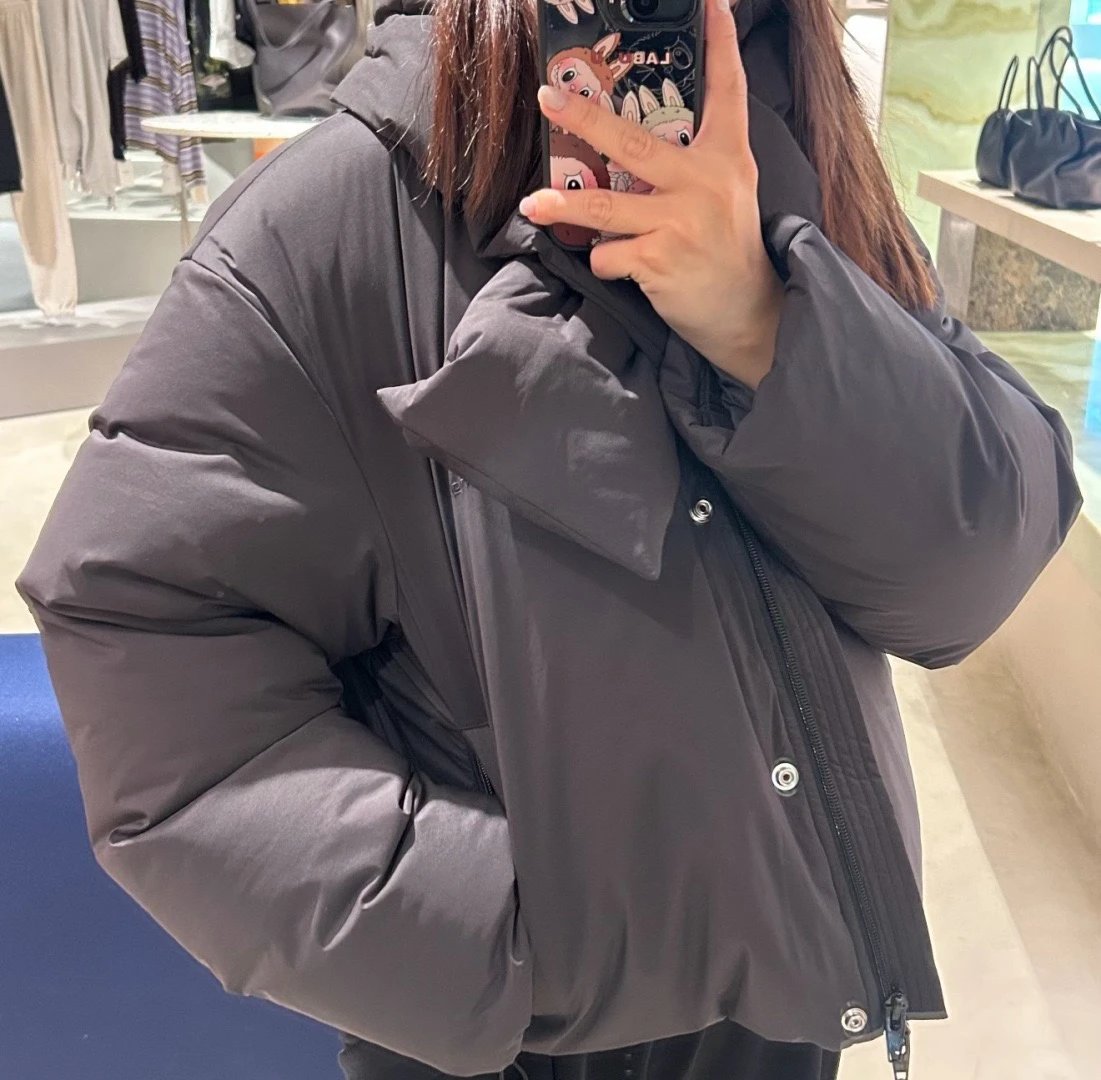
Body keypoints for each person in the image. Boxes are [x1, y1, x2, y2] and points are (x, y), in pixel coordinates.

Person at [17, 0, 1081, 1077]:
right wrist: (522, 942)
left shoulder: (795, 163)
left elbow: (970, 566)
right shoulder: (344, 213)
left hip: (785, 1037)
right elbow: (145, 636)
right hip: (521, 1051)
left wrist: (764, 322)